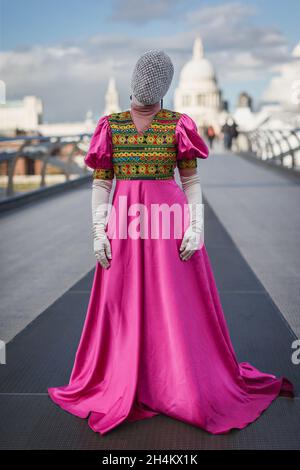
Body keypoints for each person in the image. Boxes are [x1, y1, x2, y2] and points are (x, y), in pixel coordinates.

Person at [48, 50, 294, 436]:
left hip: (169, 225)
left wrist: (195, 227)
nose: (147, 90)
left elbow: (191, 181)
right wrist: (98, 231)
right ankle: (136, 377)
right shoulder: (110, 126)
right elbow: (101, 183)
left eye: (154, 84)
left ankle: (172, 380)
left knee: (174, 302)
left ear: (164, 88)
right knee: (124, 301)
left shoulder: (178, 125)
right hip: (127, 226)